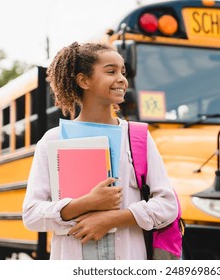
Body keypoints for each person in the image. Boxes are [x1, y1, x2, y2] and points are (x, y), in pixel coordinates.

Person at [22, 42, 178, 260]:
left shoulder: (137, 137)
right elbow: (31, 215)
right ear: (84, 80)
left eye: (122, 72)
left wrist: (113, 219)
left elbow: (168, 205)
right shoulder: (52, 140)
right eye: (111, 71)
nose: (122, 79)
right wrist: (85, 203)